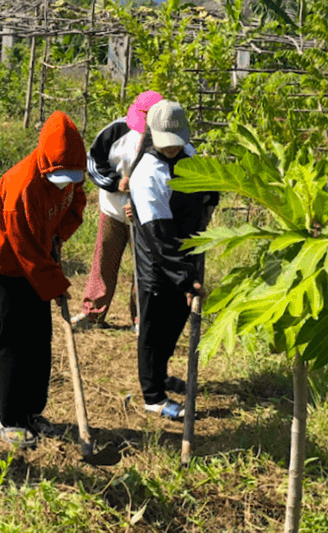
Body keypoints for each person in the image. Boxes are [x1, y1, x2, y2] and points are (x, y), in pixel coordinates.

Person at [0, 111, 87, 448]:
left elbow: (75, 205)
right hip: (5, 264)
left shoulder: (72, 175)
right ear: (44, 161)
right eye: (59, 175)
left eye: (70, 175)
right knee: (14, 339)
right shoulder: (21, 183)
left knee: (40, 338)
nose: (65, 182)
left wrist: (59, 238)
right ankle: (10, 419)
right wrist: (57, 284)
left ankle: (32, 412)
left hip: (39, 257)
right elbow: (26, 250)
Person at [129, 100, 219, 421]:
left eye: (175, 144)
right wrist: (184, 277)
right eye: (164, 144)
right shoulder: (146, 174)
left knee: (178, 318)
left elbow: (209, 193)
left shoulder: (191, 155)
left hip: (190, 248)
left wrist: (209, 200)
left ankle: (162, 373)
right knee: (155, 325)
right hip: (157, 257)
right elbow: (159, 238)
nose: (171, 150)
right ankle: (152, 395)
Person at [80, 90, 163, 328]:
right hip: (113, 210)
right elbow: (94, 162)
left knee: (145, 267)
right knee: (104, 261)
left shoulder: (168, 136)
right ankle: (93, 314)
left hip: (147, 216)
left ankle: (142, 319)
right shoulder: (115, 131)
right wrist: (116, 183)